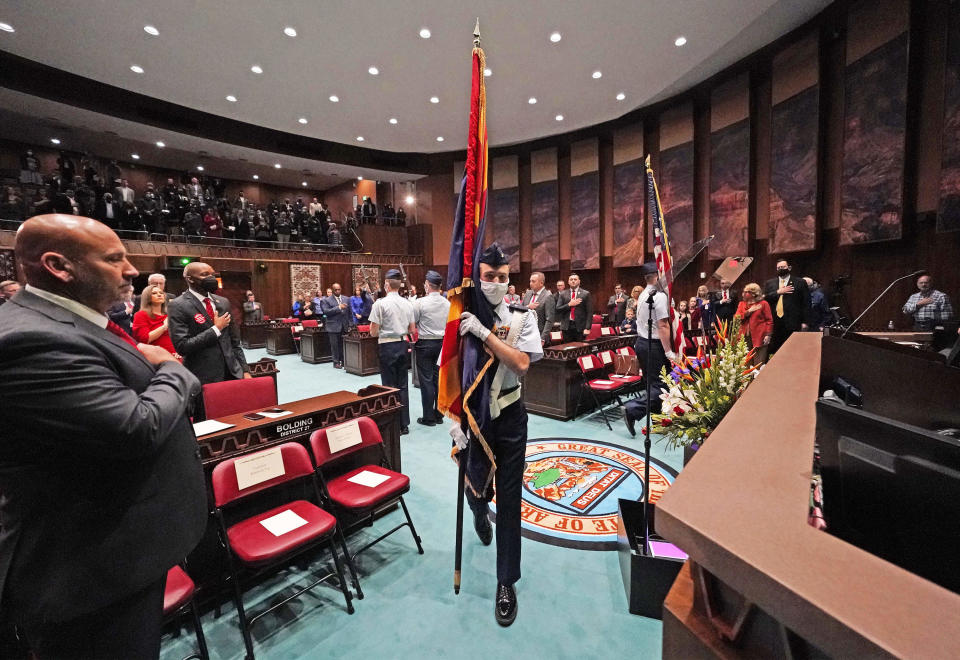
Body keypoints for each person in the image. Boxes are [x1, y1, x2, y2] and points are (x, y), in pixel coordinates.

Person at [0, 214, 206, 659]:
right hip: (88, 568)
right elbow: (136, 428)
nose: (131, 269)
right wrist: (172, 369)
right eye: (114, 259)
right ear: (59, 266)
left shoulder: (78, 322)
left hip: (121, 548)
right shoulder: (30, 337)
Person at [456, 244, 543, 627]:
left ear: (510, 280)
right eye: (489, 276)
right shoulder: (459, 316)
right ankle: (478, 509)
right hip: (471, 419)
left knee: (510, 501)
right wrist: (451, 421)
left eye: (502, 277)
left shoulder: (523, 319)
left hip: (509, 419)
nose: (495, 283)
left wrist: (483, 333)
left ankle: (505, 581)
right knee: (476, 484)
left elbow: (522, 363)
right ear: (478, 277)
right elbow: (449, 374)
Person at [167, 262, 251, 418]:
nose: (211, 278)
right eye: (205, 275)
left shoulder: (222, 302)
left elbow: (234, 342)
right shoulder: (178, 305)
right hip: (202, 377)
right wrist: (215, 329)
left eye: (213, 274)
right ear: (190, 279)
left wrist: (245, 370)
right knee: (208, 423)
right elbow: (182, 346)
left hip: (232, 373)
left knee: (236, 418)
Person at [624, 263, 677, 437]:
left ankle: (658, 420)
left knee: (652, 384)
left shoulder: (645, 294)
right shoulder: (658, 296)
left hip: (642, 342)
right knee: (662, 386)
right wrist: (669, 352)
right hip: (654, 344)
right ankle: (633, 409)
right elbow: (662, 325)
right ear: (657, 274)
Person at [368, 269, 415, 434]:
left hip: (387, 345)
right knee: (403, 385)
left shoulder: (379, 304)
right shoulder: (408, 303)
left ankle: (392, 424)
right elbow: (412, 329)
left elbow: (373, 332)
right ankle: (404, 424)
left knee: (388, 386)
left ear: (386, 285)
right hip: (403, 344)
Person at [413, 270, 450, 426]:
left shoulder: (420, 303)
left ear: (427, 285)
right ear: (440, 286)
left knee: (426, 381)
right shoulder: (448, 303)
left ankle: (428, 417)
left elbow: (413, 323)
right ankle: (439, 414)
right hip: (442, 344)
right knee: (439, 380)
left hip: (425, 343)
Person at [763, 259, 810, 353]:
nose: (780, 269)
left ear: (789, 268)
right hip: (775, 321)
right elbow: (765, 299)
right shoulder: (770, 283)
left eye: (783, 267)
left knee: (792, 349)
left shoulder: (800, 282)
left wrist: (805, 322)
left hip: (793, 321)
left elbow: (806, 303)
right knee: (774, 349)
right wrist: (778, 292)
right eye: (778, 268)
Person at [132, 283, 177, 355]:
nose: (159, 295)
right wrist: (164, 327)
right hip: (155, 356)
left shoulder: (168, 314)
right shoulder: (141, 315)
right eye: (154, 293)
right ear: (147, 297)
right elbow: (145, 339)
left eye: (161, 293)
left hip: (175, 354)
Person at [736, 283, 773, 365]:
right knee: (746, 361)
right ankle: (748, 378)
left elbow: (769, 321)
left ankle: (757, 377)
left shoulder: (763, 304)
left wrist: (768, 335)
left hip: (760, 336)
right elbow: (737, 317)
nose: (743, 294)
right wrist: (749, 311)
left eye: (746, 292)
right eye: (743, 291)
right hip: (744, 337)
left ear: (753, 293)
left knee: (758, 362)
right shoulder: (742, 304)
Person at [320, 282, 352, 369]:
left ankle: (344, 361)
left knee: (343, 345)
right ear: (332, 290)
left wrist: (351, 324)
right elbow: (326, 312)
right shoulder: (325, 300)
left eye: (339, 289)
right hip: (333, 326)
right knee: (335, 346)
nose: (338, 291)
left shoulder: (346, 299)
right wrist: (339, 308)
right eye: (336, 290)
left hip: (344, 325)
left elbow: (350, 312)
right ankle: (336, 362)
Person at [554, 273, 593, 343]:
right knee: (568, 349)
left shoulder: (586, 294)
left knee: (580, 350)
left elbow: (589, 312)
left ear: (579, 281)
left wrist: (588, 328)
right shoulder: (563, 294)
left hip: (580, 327)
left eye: (575, 279)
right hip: (566, 327)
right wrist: (569, 305)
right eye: (571, 279)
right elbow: (558, 309)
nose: (573, 281)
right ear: (568, 282)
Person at [522, 271, 556, 341]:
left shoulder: (548, 296)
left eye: (533, 281)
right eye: (530, 281)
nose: (530, 283)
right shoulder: (528, 293)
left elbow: (549, 320)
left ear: (541, 283)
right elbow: (520, 310)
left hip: (539, 335)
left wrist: (543, 338)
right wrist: (528, 307)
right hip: (525, 333)